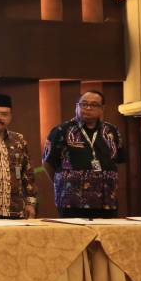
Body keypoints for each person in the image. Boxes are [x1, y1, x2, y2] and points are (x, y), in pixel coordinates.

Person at [42, 90, 126, 218]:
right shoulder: (61, 130)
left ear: (102, 109)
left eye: (94, 105)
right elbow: (47, 162)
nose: (88, 108)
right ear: (77, 106)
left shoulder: (111, 131)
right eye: (84, 104)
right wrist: (62, 183)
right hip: (72, 201)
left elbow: (117, 160)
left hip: (106, 201)